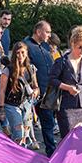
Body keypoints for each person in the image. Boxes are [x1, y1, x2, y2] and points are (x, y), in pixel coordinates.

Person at [48, 25, 82, 141]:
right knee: (68, 138)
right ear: (73, 43)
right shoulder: (61, 62)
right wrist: (67, 87)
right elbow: (52, 80)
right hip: (66, 105)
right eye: (80, 47)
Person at [24, 21, 57, 154]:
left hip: (48, 92)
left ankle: (51, 152)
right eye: (47, 32)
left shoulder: (45, 46)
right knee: (26, 125)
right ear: (38, 32)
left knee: (48, 122)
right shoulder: (26, 46)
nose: (50, 35)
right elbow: (25, 70)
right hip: (33, 94)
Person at [0, 41, 39, 148]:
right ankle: (16, 158)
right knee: (18, 135)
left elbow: (36, 87)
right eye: (17, 53)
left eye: (22, 52)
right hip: (11, 104)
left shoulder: (31, 68)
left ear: (26, 53)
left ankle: (22, 157)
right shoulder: (8, 70)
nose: (20, 56)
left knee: (25, 135)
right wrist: (1, 109)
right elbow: (2, 91)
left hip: (27, 104)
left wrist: (35, 91)